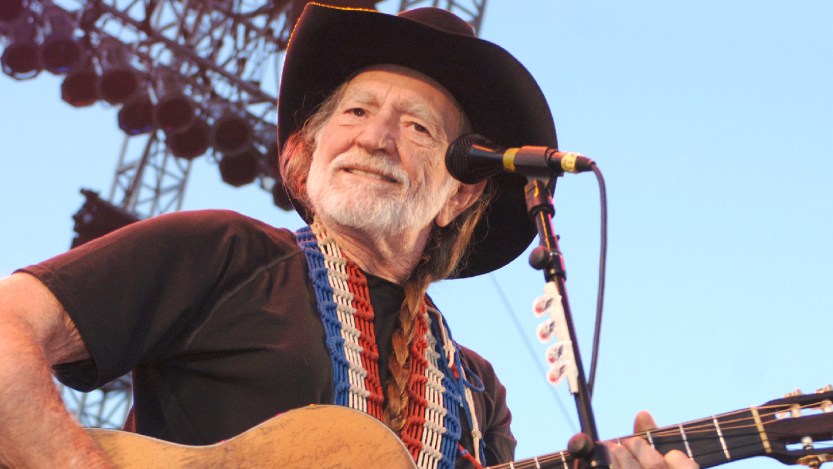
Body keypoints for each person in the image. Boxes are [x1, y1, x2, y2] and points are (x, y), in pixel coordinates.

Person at [0, 4, 699, 469]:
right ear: (302, 158)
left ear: (462, 191)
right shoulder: (226, 253)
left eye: (418, 126)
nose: (376, 136)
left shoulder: (476, 390)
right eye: (357, 110)